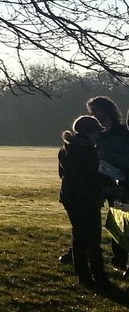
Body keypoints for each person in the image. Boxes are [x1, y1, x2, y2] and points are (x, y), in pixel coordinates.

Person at [58, 115, 111, 289]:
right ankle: (98, 275)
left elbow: (63, 174)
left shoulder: (66, 149)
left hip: (70, 195)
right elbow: (90, 175)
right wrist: (112, 181)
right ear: (89, 133)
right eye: (96, 132)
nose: (98, 136)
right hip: (87, 197)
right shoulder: (86, 151)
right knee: (93, 238)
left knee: (79, 236)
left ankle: (83, 274)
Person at [88, 96, 129, 274]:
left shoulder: (123, 133)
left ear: (107, 110)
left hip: (122, 183)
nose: (94, 114)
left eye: (96, 110)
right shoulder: (96, 135)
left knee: (121, 222)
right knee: (97, 221)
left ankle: (121, 259)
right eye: (92, 111)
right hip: (102, 183)